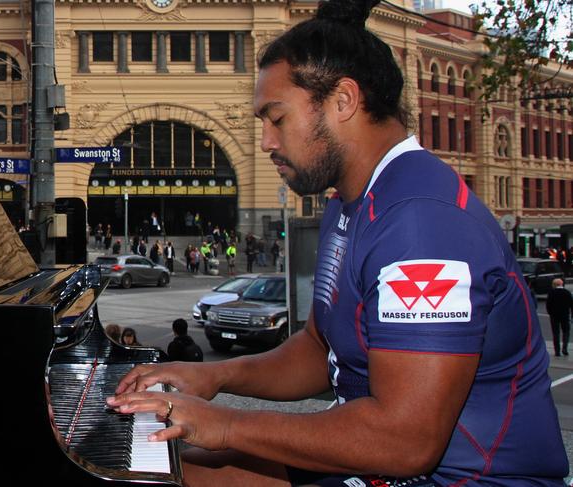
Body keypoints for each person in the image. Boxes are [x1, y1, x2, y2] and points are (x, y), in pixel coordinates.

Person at [106, 1, 568, 485]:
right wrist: (216, 377)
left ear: (343, 101)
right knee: (150, 469)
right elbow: (320, 350)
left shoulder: (421, 224)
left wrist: (223, 424)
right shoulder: (349, 203)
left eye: (277, 118)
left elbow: (404, 442)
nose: (264, 140)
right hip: (374, 469)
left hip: (461, 479)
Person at [546, 278, 573, 357]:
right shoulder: (567, 293)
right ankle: (565, 348)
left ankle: (557, 351)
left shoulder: (551, 293)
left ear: (554, 285)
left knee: (556, 333)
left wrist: (550, 313)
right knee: (566, 332)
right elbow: (572, 305)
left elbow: (548, 305)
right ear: (562, 284)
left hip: (554, 316)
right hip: (565, 315)